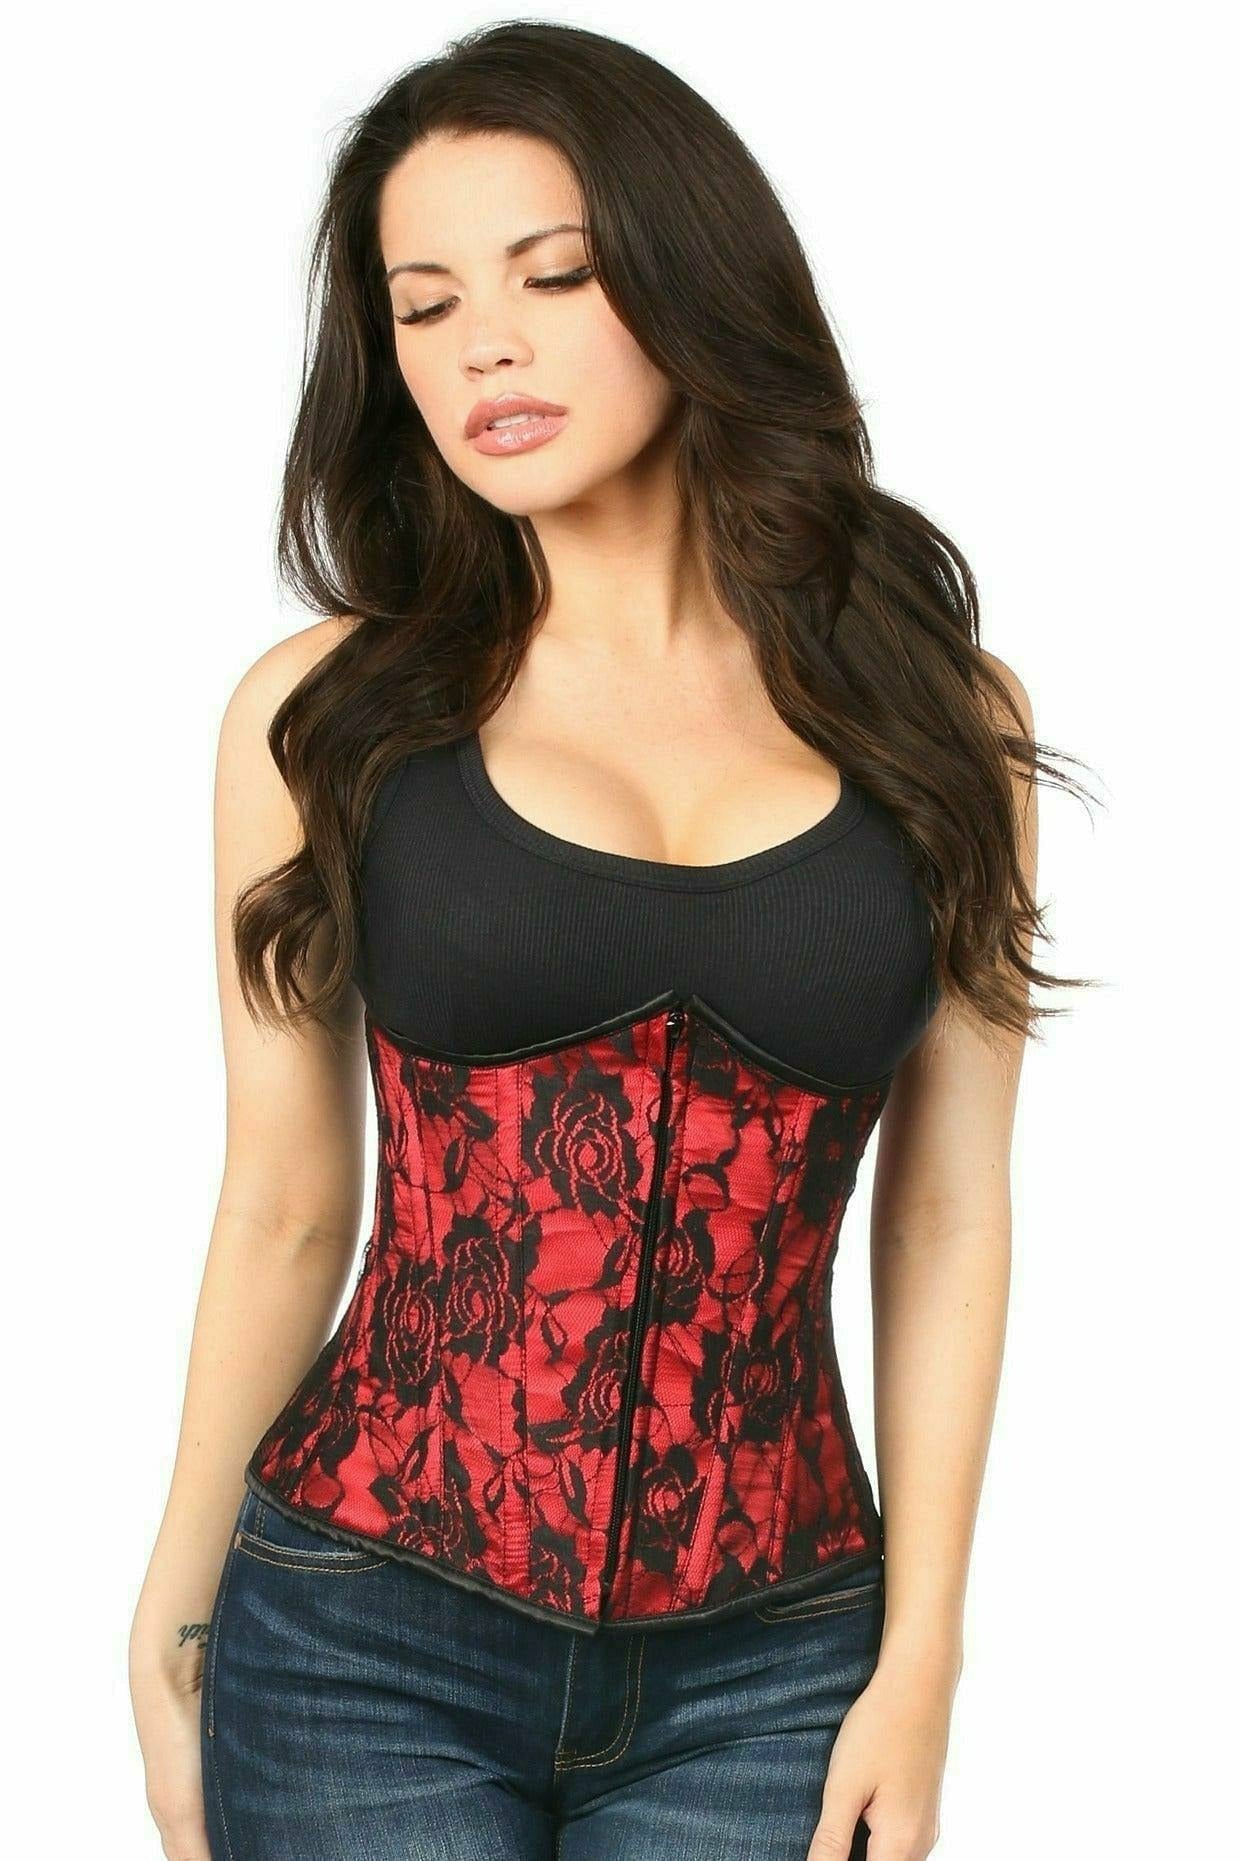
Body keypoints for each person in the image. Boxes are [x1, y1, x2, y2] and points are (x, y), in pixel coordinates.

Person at [129, 22, 1080, 1861]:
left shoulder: (944, 722)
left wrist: (922, 1659)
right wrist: (172, 1622)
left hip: (779, 1662)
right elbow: (285, 1204)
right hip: (357, 1637)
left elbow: (949, 1212)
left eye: (549, 275)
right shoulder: (325, 718)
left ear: (688, 273)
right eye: (422, 306)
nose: (481, 343)